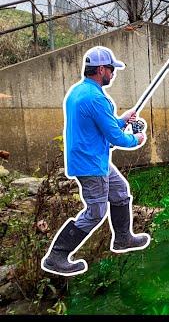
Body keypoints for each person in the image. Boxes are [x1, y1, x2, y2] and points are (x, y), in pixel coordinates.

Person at [41, 46, 149, 277]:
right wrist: (137, 138)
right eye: (111, 69)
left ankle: (122, 239)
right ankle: (56, 256)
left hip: (90, 157)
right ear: (101, 69)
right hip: (91, 164)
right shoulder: (97, 99)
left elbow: (100, 127)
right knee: (95, 212)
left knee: (120, 192)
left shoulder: (78, 92)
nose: (114, 73)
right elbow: (115, 137)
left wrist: (121, 119)